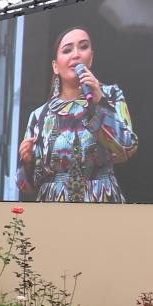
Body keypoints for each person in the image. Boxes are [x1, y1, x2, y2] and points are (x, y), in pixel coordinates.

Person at [16, 26, 139, 202]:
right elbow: (25, 186)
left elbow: (128, 148)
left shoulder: (110, 95)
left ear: (91, 57)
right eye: (67, 50)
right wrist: (27, 162)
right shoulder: (39, 116)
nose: (76, 54)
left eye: (83, 47)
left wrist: (99, 103)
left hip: (102, 202)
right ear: (55, 66)